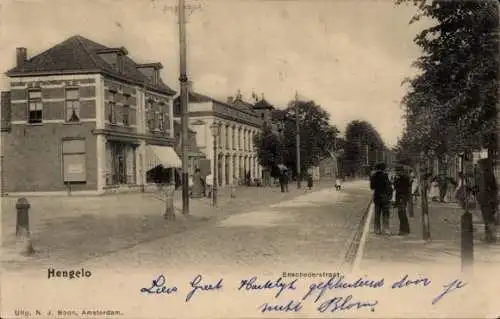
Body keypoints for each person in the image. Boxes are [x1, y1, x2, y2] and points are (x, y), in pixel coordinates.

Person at [475, 158, 498, 243]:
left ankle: (491, 237)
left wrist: (492, 199)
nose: (478, 166)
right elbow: (480, 188)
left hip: (488, 200)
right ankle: (488, 237)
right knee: (486, 219)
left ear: (483, 165)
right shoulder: (483, 174)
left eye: (479, 165)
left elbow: (493, 188)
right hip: (484, 200)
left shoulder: (488, 174)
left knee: (489, 219)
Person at [370, 162, 393, 235]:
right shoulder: (385, 176)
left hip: (377, 197)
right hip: (385, 197)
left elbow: (372, 187)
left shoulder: (374, 176)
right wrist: (390, 196)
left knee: (377, 214)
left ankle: (377, 230)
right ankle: (386, 229)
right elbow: (389, 187)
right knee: (385, 214)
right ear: (383, 168)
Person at [393, 166, 411, 235]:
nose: (396, 172)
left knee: (401, 214)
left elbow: (396, 187)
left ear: (400, 171)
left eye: (397, 171)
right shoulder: (405, 177)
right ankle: (406, 229)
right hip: (403, 197)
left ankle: (402, 230)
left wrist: (395, 180)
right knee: (402, 214)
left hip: (401, 197)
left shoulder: (401, 178)